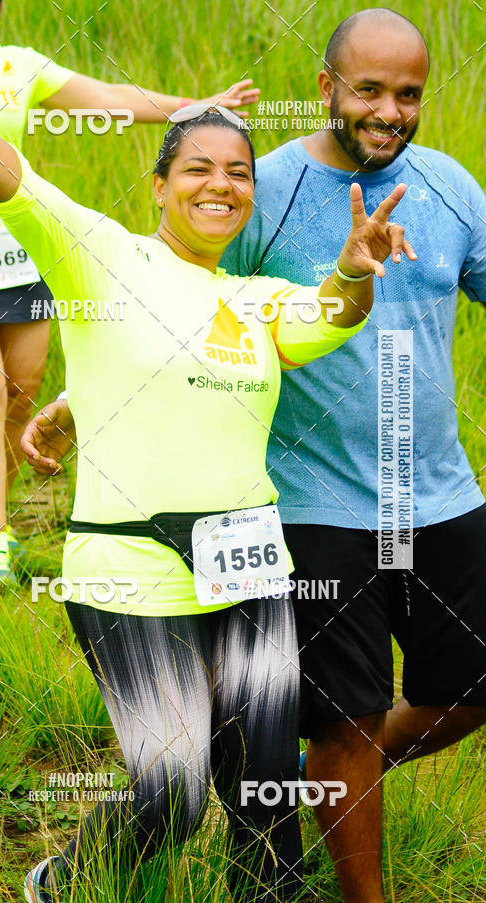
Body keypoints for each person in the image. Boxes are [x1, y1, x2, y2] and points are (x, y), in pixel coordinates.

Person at [0, 7, 416, 901]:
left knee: (262, 790)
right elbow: (12, 178)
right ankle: (65, 879)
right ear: (160, 185)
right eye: (198, 169)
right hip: (127, 563)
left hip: (249, 562)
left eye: (239, 174)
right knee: (169, 794)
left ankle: (268, 892)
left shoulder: (258, 299)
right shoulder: (102, 254)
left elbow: (331, 313)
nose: (221, 185)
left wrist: (354, 270)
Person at [218, 8, 486, 903]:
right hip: (314, 506)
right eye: (368, 89)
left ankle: (313, 772)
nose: (390, 111)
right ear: (328, 87)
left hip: (439, 493)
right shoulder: (275, 189)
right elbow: (198, 309)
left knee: (471, 687)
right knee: (352, 715)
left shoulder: (448, 187)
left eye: (408, 94)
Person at [0, 0, 258, 586]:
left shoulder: (20, 67)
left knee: (21, 392)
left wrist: (199, 110)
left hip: (18, 245)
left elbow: (111, 98)